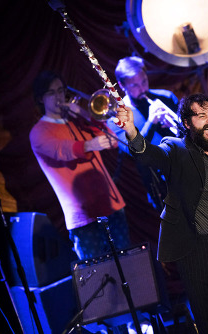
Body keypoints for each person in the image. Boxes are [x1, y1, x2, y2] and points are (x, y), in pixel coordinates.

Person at [115, 93, 208, 334]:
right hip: (197, 254)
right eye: (201, 115)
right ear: (186, 123)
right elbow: (146, 155)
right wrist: (132, 130)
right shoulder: (175, 148)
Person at [30, 71, 131, 261]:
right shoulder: (39, 132)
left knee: (129, 264)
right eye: (52, 93)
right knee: (98, 278)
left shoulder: (79, 120)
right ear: (41, 99)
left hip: (112, 204)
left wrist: (86, 114)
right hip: (83, 217)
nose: (59, 97)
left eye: (61, 91)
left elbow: (112, 141)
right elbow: (62, 150)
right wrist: (89, 145)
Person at [107, 56, 181, 212]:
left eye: (144, 81)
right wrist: (151, 123)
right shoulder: (118, 119)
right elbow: (134, 151)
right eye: (135, 85)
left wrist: (178, 128)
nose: (142, 89)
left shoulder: (165, 97)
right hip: (162, 186)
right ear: (122, 85)